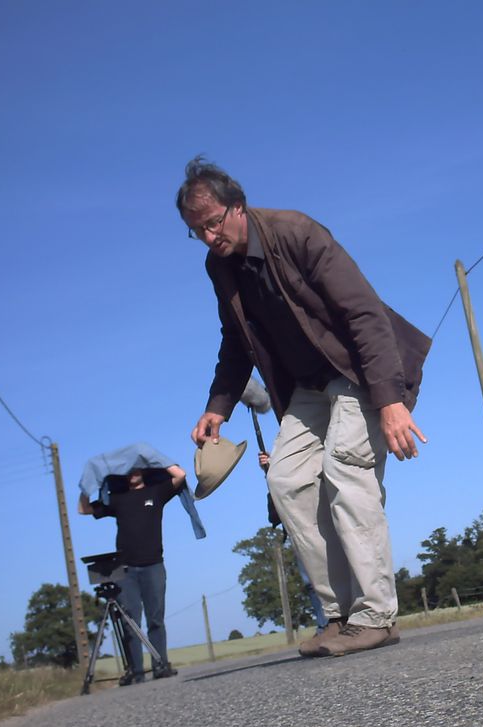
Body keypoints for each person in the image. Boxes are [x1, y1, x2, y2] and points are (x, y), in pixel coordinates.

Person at [177, 157, 431, 657]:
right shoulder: (219, 267)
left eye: (211, 224)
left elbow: (364, 313)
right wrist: (219, 406)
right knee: (287, 479)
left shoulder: (296, 232)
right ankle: (340, 615)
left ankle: (376, 613)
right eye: (195, 232)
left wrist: (391, 402)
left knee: (346, 469)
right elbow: (235, 340)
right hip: (306, 389)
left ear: (238, 206)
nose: (208, 238)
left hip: (361, 373)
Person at [79, 465, 186, 682]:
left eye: (136, 468)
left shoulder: (156, 491)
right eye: (128, 469)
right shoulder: (118, 498)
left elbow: (180, 476)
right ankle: (137, 672)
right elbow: (83, 509)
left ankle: (160, 665)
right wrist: (86, 485)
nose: (132, 472)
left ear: (144, 470)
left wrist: (157, 460)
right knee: (130, 622)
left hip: (154, 565)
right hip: (125, 569)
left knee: (156, 619)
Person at [258, 451, 328, 636]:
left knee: (323, 575)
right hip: (297, 525)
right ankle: (325, 625)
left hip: (315, 516)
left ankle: (334, 623)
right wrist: (270, 469)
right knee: (311, 581)